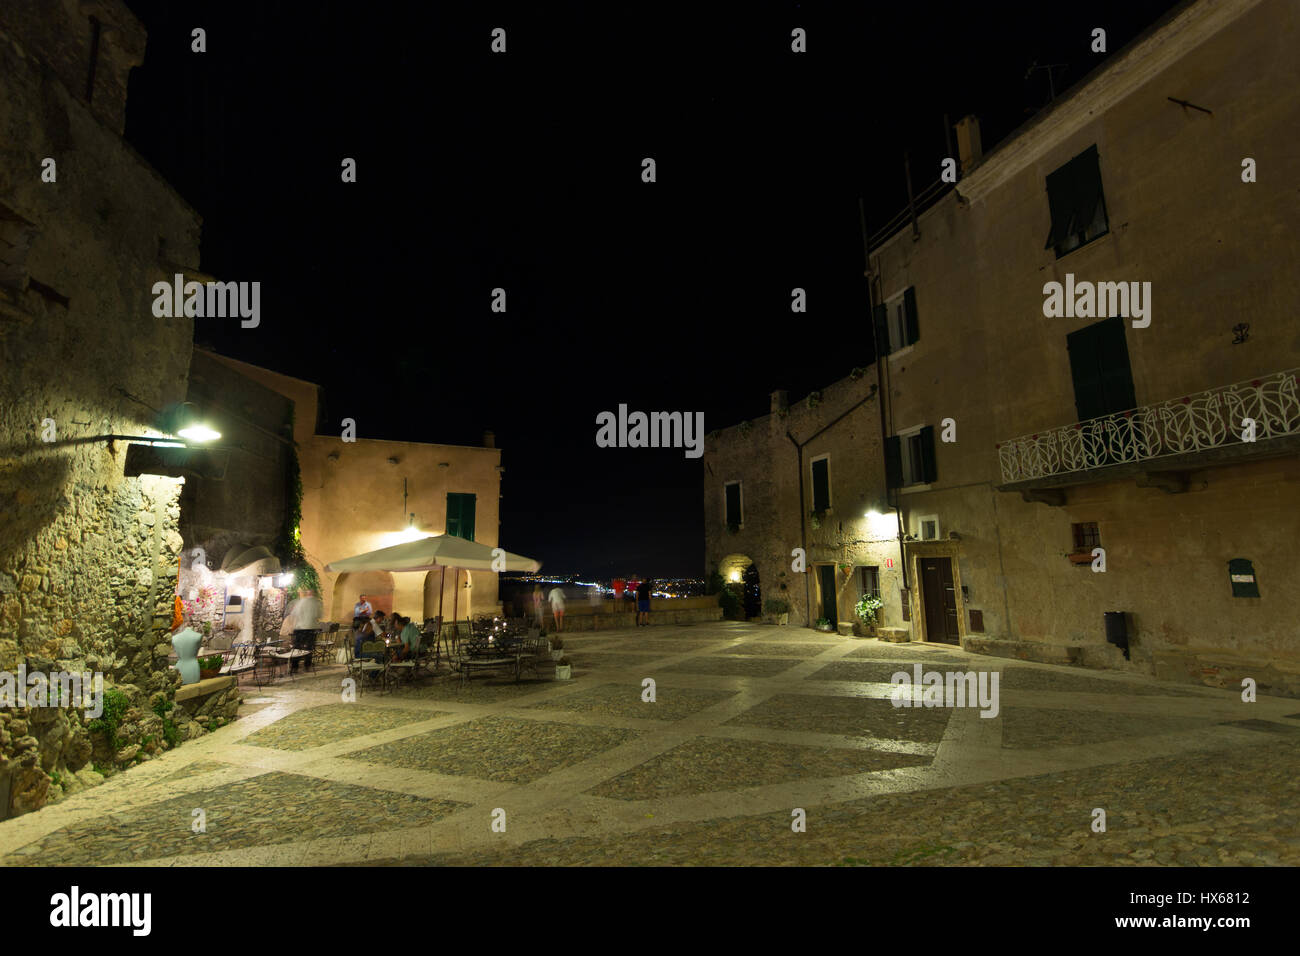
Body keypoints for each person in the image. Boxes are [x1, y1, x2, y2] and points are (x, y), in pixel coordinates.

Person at [282, 588, 322, 673]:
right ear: (314, 594)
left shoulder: (301, 602)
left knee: (297, 647)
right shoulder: (317, 603)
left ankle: (294, 667)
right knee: (309, 648)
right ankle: (307, 666)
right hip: (311, 627)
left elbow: (294, 613)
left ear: (307, 594)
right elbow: (319, 615)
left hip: (300, 628)